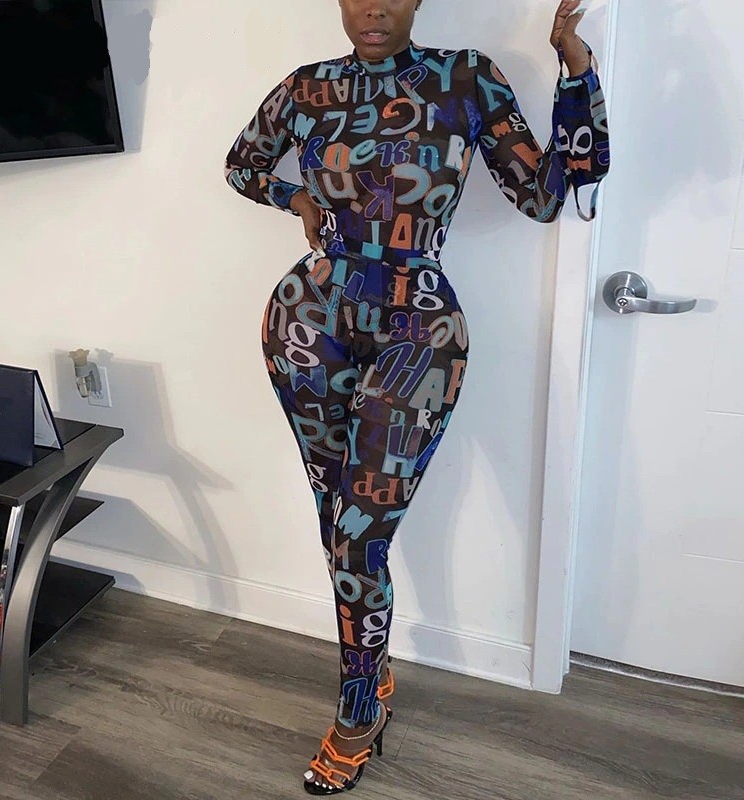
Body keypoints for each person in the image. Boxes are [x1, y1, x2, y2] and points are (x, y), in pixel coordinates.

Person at [224, 0, 609, 793]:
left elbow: (545, 195)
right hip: (307, 322)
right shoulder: (307, 86)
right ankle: (372, 671)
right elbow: (241, 165)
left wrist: (576, 71)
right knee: (336, 518)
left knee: (358, 532)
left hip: (420, 331)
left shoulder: (464, 79)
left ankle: (358, 710)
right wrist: (296, 199)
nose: (374, 7)